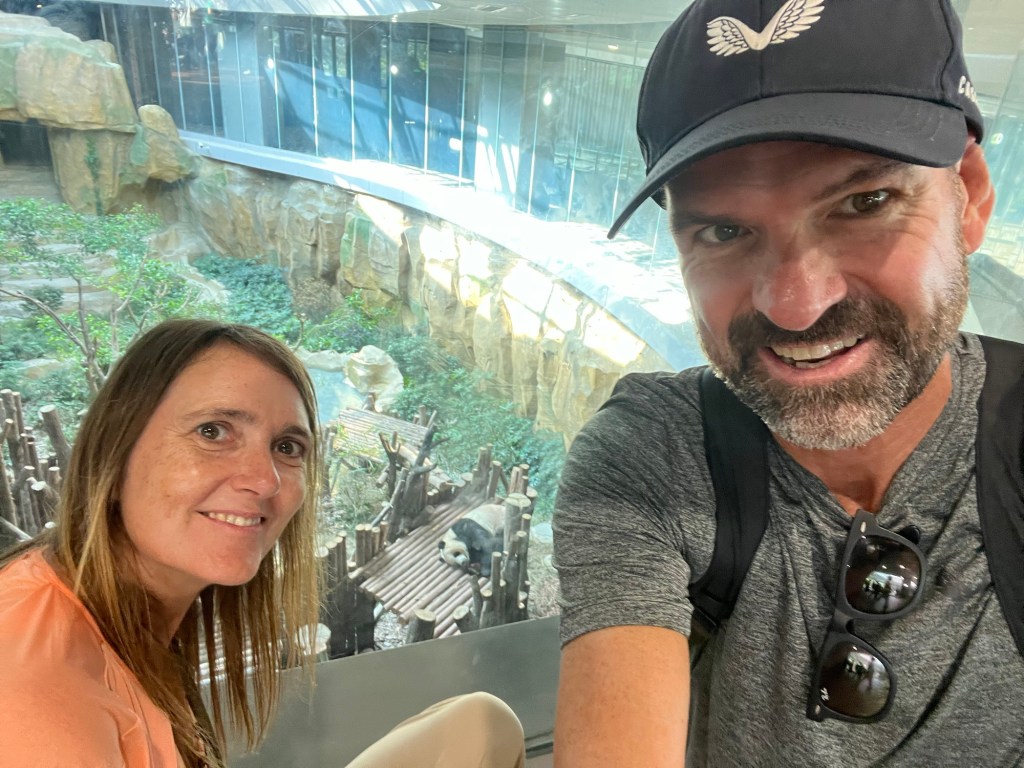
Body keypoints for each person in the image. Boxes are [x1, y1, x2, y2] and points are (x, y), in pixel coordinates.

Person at [552, 0, 1023, 766]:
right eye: (724, 231)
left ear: (968, 194)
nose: (796, 304)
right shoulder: (653, 459)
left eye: (863, 203)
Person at [0, 318, 525, 768]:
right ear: (114, 454)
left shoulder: (126, 611)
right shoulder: (37, 691)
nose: (266, 479)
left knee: (481, 722)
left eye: (287, 447)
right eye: (213, 432)